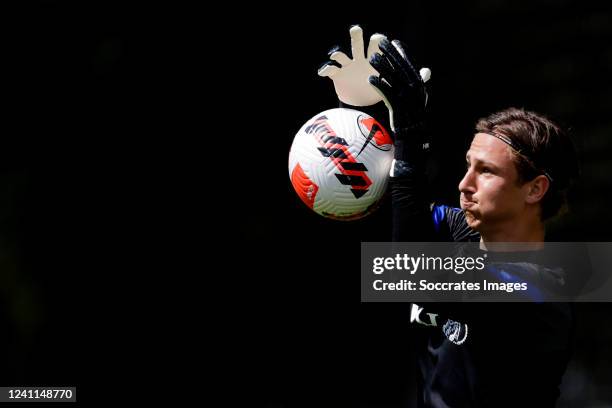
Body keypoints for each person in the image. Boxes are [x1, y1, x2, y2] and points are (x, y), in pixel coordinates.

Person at [320, 25, 580, 406]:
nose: (464, 184)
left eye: (486, 171)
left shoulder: (541, 295)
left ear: (534, 189)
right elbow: (396, 215)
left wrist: (410, 136)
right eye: (467, 166)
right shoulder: (465, 232)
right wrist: (362, 133)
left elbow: (407, 269)